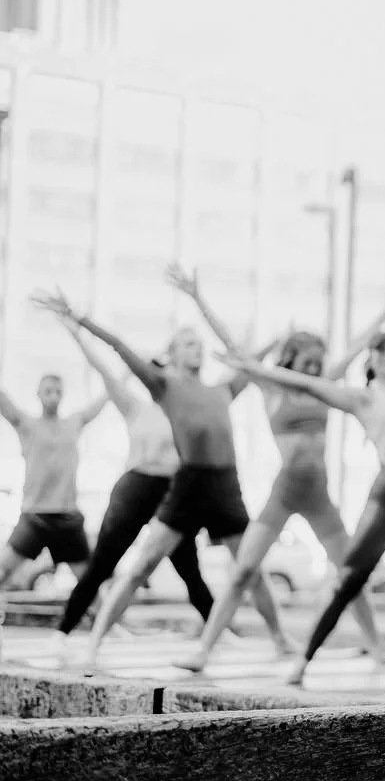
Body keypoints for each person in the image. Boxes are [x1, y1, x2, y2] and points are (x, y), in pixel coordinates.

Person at [30, 287, 293, 670]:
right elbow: (119, 348)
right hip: (182, 485)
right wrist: (80, 320)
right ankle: (92, 642)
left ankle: (278, 638)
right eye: (187, 343)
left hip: (224, 486)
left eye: (198, 343)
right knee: (140, 565)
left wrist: (275, 340)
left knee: (247, 568)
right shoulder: (162, 389)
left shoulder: (222, 390)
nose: (197, 348)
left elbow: (249, 363)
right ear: (172, 354)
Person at [217, 329, 385, 687]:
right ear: (371, 364)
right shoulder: (363, 397)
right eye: (381, 353)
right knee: (350, 578)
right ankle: (302, 662)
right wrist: (253, 369)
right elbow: (305, 383)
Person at [171, 268, 385, 674]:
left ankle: (379, 647)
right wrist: (197, 297)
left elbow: (354, 349)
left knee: (350, 574)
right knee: (243, 570)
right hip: (284, 492)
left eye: (318, 363)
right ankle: (203, 650)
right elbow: (235, 349)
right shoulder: (272, 386)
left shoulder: (324, 384)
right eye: (308, 362)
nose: (314, 369)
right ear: (292, 359)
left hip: (320, 496)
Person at [50, 315, 216, 650]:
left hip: (174, 492)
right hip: (136, 487)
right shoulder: (135, 407)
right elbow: (103, 369)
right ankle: (63, 630)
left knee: (189, 568)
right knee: (103, 563)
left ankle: (216, 629)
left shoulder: (186, 409)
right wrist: (77, 336)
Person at [0, 361, 107, 605]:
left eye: (58, 391)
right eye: (48, 391)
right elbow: (3, 401)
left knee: (89, 582)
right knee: (3, 571)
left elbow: (102, 401)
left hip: (67, 515)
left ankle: (107, 622)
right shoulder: (26, 424)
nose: (53, 396)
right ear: (38, 394)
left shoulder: (73, 423)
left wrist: (123, 375)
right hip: (35, 515)